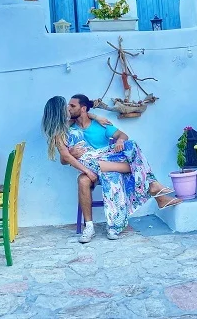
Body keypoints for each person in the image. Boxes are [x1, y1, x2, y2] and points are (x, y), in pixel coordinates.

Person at [41, 95, 180, 243]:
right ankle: (91, 226)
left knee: (131, 144)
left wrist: (95, 117)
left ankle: (117, 224)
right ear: (59, 112)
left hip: (103, 159)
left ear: (82, 109)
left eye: (71, 106)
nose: (68, 108)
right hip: (88, 163)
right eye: (66, 106)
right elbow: (65, 158)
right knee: (92, 177)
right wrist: (80, 163)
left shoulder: (95, 124)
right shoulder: (64, 129)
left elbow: (121, 135)